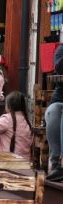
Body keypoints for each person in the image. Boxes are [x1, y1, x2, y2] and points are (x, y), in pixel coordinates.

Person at [0, 91, 32, 160]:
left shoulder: (7, 119)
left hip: (10, 159)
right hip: (25, 158)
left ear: (9, 106)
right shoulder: (26, 119)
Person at [45, 44, 63, 181]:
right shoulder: (61, 49)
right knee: (54, 110)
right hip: (60, 99)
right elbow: (59, 68)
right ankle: (57, 163)